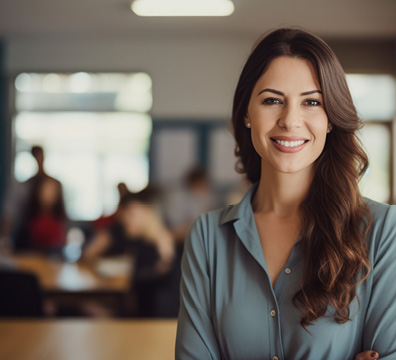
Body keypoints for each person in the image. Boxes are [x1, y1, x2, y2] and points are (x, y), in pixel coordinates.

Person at [176, 28, 396, 360]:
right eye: (272, 100)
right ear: (247, 114)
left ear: (330, 119)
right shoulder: (208, 239)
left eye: (311, 102)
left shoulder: (382, 231)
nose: (291, 120)